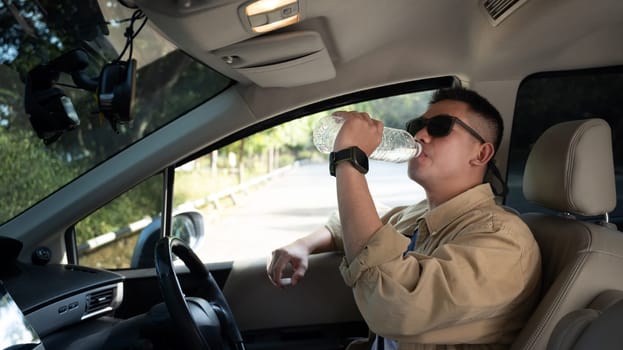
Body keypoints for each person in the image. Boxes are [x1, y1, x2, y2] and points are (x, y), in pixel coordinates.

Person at [267, 87, 541, 350]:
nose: (420, 135)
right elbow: (349, 225)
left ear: (481, 153)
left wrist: (349, 158)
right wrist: (304, 244)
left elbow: (392, 305)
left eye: (440, 127)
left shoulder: (504, 240)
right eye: (416, 126)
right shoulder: (419, 213)